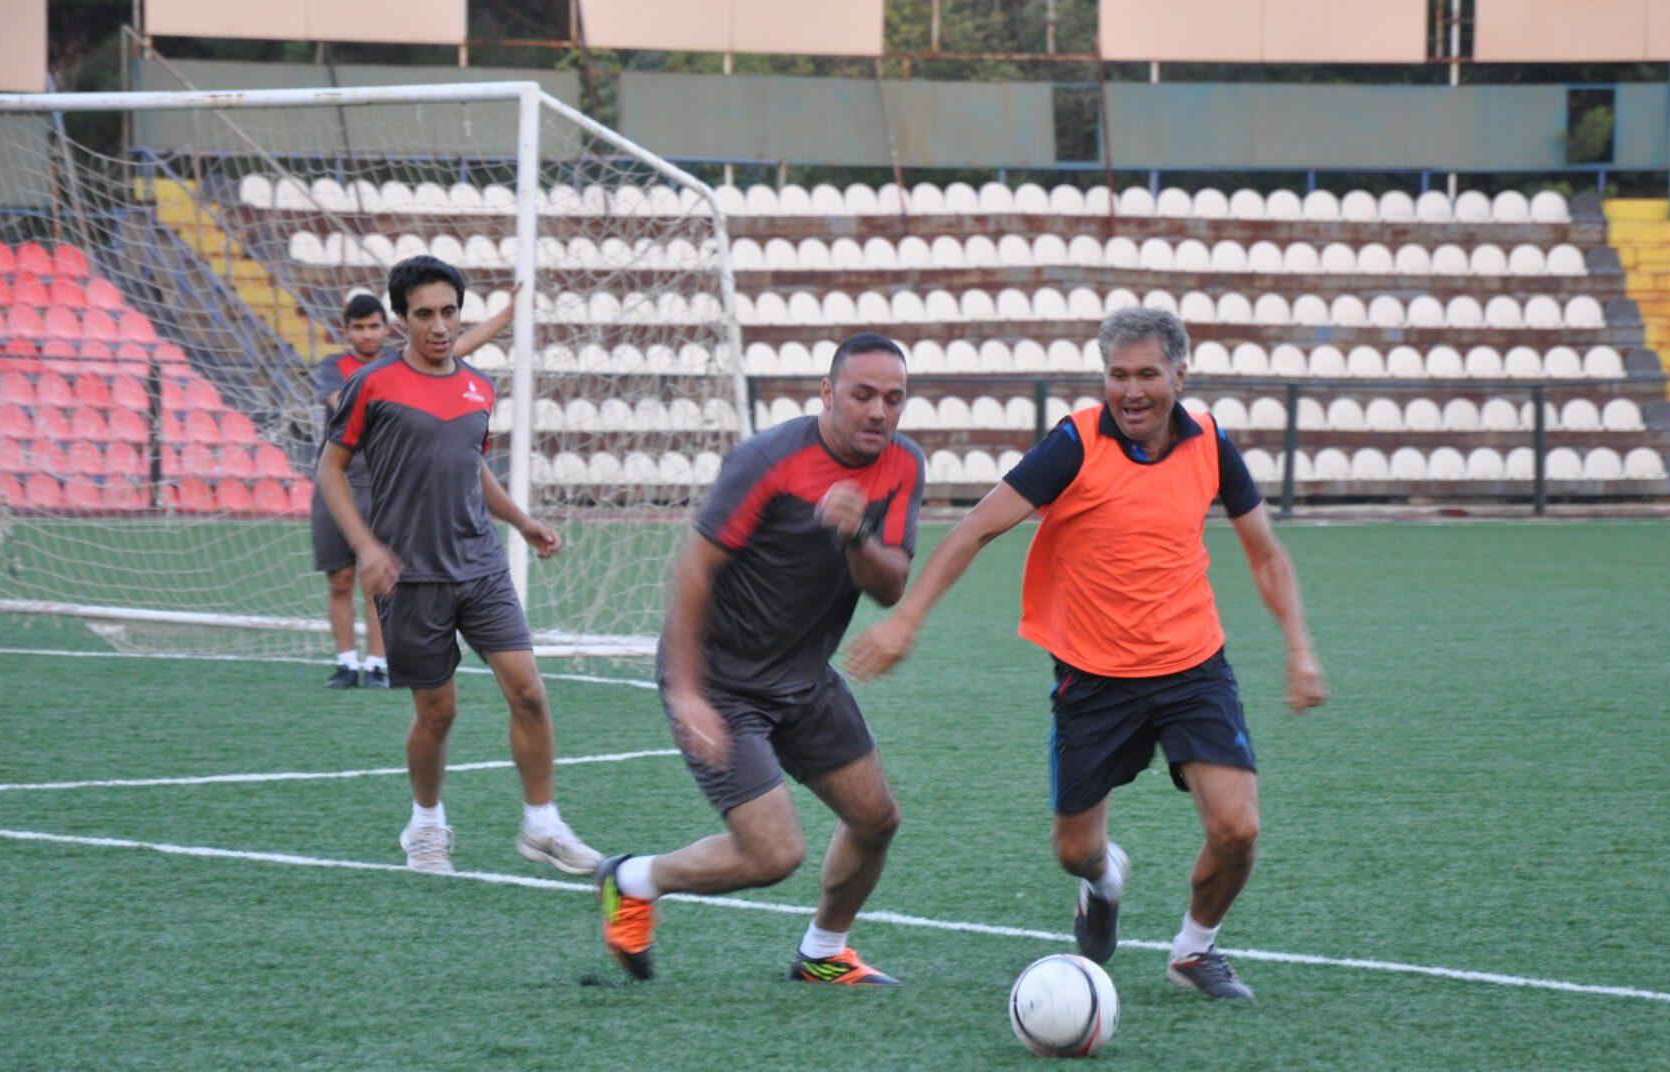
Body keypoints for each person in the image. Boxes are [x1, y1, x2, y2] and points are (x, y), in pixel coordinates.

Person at [847, 307, 1327, 1001]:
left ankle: (1194, 951)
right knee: (1075, 850)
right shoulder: (1075, 442)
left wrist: (1299, 648)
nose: (1131, 391)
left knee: (1238, 829)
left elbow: (1265, 554)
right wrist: (907, 620)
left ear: (1180, 376)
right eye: (1117, 375)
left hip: (1193, 667)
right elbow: (977, 528)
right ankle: (1104, 884)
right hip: (1093, 676)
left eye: (1147, 375)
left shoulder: (1212, 444)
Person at [594, 333, 924, 986]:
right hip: (723, 682)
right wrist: (688, 692)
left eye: (893, 399)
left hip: (802, 678)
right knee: (774, 853)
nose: (879, 413)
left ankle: (824, 952)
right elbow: (695, 571)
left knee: (875, 818)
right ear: (827, 395)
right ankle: (632, 879)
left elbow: (888, 584)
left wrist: (855, 530)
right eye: (862, 395)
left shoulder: (903, 465)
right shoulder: (767, 461)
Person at [314, 257, 597, 877]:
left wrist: (521, 522)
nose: (439, 326)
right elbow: (330, 470)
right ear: (400, 320)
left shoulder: (478, 387)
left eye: (448, 312)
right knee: (438, 714)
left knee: (528, 691)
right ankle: (426, 824)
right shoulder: (374, 385)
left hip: (480, 563)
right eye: (424, 314)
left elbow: (472, 465)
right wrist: (365, 546)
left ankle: (542, 825)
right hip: (410, 575)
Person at [312, 287, 520, 689]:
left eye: (374, 327)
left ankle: (376, 662)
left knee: (381, 575)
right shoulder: (345, 371)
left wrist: (506, 316)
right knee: (340, 578)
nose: (368, 335)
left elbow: (462, 344)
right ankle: (344, 661)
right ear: (347, 330)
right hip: (338, 483)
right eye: (359, 327)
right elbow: (342, 404)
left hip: (385, 487)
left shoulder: (401, 371)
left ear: (386, 327)